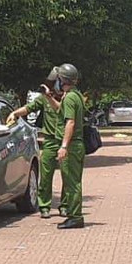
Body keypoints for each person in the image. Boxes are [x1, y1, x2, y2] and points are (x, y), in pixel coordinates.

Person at [7, 68, 64, 219]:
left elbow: (61, 110)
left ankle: (65, 206)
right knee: (45, 176)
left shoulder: (69, 98)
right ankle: (44, 205)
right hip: (50, 141)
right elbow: (28, 108)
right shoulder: (43, 99)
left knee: (68, 176)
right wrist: (15, 113)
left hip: (66, 141)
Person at [55, 63, 86, 230]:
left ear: (63, 79)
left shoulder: (70, 98)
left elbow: (70, 122)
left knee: (71, 182)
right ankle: (74, 215)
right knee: (73, 181)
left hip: (72, 146)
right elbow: (62, 111)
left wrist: (64, 146)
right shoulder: (75, 96)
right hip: (77, 145)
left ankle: (75, 216)